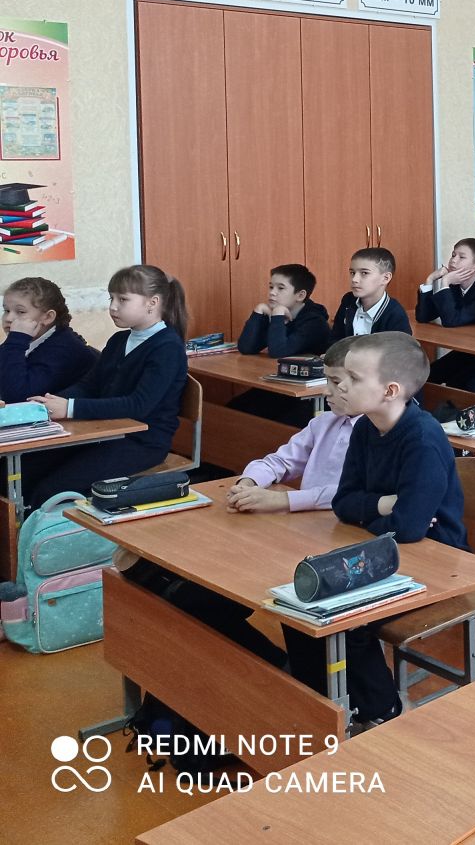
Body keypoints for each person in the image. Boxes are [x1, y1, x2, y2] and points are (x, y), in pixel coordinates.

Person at [135, 337, 359, 669]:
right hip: (300, 533)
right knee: (194, 601)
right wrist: (249, 481)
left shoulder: (374, 433)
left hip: (336, 543)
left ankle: (282, 674)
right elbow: (280, 461)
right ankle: (272, 667)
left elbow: (347, 493)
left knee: (227, 599)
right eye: (327, 380)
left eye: (335, 382)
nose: (326, 391)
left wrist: (281, 500)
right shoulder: (324, 422)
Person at [283, 333, 466, 726]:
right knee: (300, 610)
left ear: (390, 390)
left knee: (350, 621)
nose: (340, 387)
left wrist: (373, 512)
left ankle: (384, 712)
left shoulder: (423, 439)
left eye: (353, 378)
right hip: (381, 547)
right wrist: (385, 505)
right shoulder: (365, 427)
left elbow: (409, 529)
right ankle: (324, 708)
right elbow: (343, 502)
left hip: (436, 559)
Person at [22, 265, 189, 507]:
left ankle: (41, 530)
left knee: (50, 489)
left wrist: (70, 408)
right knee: (25, 469)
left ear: (152, 303)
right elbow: (89, 385)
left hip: (142, 442)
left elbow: (138, 405)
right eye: (111, 298)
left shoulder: (167, 348)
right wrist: (51, 403)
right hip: (107, 431)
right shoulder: (119, 340)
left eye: (123, 299)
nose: (113, 307)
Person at [0, 276, 97, 402]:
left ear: (48, 317)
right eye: (6, 310)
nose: (8, 318)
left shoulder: (65, 349)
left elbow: (18, 397)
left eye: (21, 312)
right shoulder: (21, 341)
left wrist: (17, 341)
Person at [237, 264, 330, 359]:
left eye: (280, 288)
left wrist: (278, 315)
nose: (272, 292)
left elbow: (278, 352)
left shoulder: (314, 322)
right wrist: (258, 312)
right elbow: (246, 348)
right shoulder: (275, 314)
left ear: (300, 295)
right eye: (271, 287)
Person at [416, 237, 475, 327]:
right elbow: (424, 316)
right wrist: (430, 279)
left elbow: (451, 321)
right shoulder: (455, 284)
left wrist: (445, 282)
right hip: (462, 334)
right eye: (453, 255)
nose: (453, 260)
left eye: (461, 257)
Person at [329, 247, 412, 339]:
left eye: (364, 273)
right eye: (352, 273)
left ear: (386, 278)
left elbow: (403, 347)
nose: (354, 279)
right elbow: (335, 339)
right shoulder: (348, 300)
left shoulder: (395, 315)